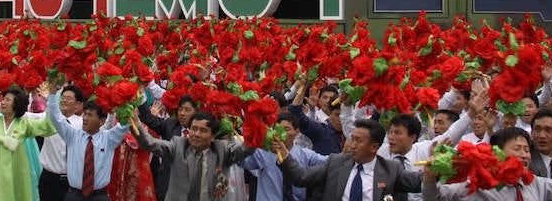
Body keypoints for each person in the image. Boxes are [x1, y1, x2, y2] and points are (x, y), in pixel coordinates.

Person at [421, 127, 552, 200]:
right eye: (517, 149)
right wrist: (429, 178)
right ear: (498, 153)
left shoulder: (536, 184)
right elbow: (436, 198)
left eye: (526, 150)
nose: (524, 155)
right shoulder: (477, 185)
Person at [274, 118, 422, 201]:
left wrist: (438, 167)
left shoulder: (391, 169)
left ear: (374, 147)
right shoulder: (336, 163)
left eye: (359, 141)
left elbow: (418, 182)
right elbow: (301, 177)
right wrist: (284, 154)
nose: (352, 145)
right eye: (352, 139)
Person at [133, 108, 255, 201]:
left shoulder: (223, 150)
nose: (196, 134)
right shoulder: (178, 146)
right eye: (194, 129)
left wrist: (258, 124)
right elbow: (149, 143)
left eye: (203, 131)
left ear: (213, 136)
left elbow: (247, 149)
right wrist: (136, 123)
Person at [46, 84, 131, 201]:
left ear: (101, 121)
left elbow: (125, 123)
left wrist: (122, 97)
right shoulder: (72, 135)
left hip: (99, 196)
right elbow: (55, 116)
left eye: (90, 115)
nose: (85, 118)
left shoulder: (109, 139)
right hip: (74, 195)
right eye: (85, 114)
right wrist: (51, 92)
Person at [240, 111, 326, 201]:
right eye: (278, 130)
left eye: (287, 129)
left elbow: (330, 164)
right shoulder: (264, 152)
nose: (281, 134)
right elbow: (240, 159)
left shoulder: (306, 155)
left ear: (297, 132)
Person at [137, 94, 197, 199]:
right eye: (180, 109)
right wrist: (141, 94)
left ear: (196, 112)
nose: (182, 113)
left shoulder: (202, 132)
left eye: (187, 110)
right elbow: (149, 119)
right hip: (168, 185)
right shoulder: (170, 125)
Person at [38, 85, 85, 201]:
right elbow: (28, 117)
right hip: (48, 179)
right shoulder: (48, 119)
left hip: (72, 182)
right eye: (62, 97)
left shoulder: (83, 125)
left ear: (78, 105)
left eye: (68, 98)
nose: (64, 100)